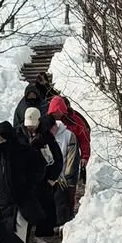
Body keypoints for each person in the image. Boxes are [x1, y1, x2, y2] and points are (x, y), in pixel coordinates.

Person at [0, 121, 46, 243]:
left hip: (22, 202)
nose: (1, 142)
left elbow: (40, 167)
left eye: (3, 138)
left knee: (19, 239)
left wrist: (29, 184)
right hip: (4, 203)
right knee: (8, 238)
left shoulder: (23, 152)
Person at [21, 106, 63, 240]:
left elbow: (58, 158)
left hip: (44, 178)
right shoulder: (19, 134)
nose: (31, 128)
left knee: (45, 205)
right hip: (26, 178)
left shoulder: (46, 136)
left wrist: (53, 177)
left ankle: (44, 232)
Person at [46, 95, 81, 224]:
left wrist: (67, 175)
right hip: (50, 176)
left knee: (64, 201)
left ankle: (64, 222)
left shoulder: (69, 134)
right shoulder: (45, 133)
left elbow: (72, 156)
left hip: (64, 175)